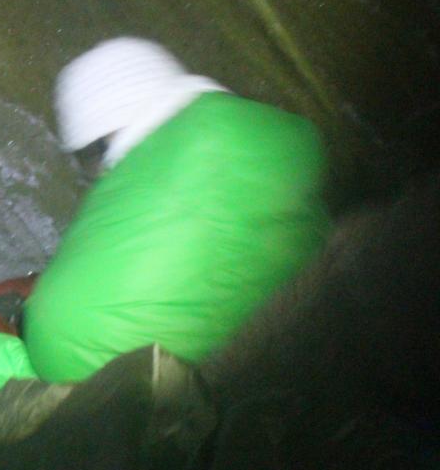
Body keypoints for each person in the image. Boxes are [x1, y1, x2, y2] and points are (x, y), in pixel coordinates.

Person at [22, 37, 330, 383]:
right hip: (300, 342)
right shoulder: (274, 135)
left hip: (87, 375)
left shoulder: (180, 155)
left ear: (102, 138)